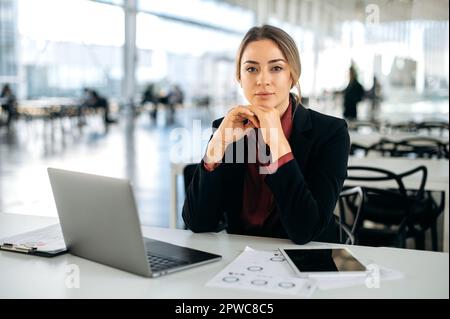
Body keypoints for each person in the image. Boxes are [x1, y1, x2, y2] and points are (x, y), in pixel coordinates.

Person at [182, 25, 350, 245]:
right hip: (239, 258)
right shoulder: (227, 128)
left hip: (305, 263)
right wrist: (218, 144)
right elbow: (198, 222)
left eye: (276, 68)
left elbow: (305, 231)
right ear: (239, 77)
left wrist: (278, 142)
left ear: (293, 75)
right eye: (251, 69)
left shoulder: (330, 133)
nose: (262, 80)